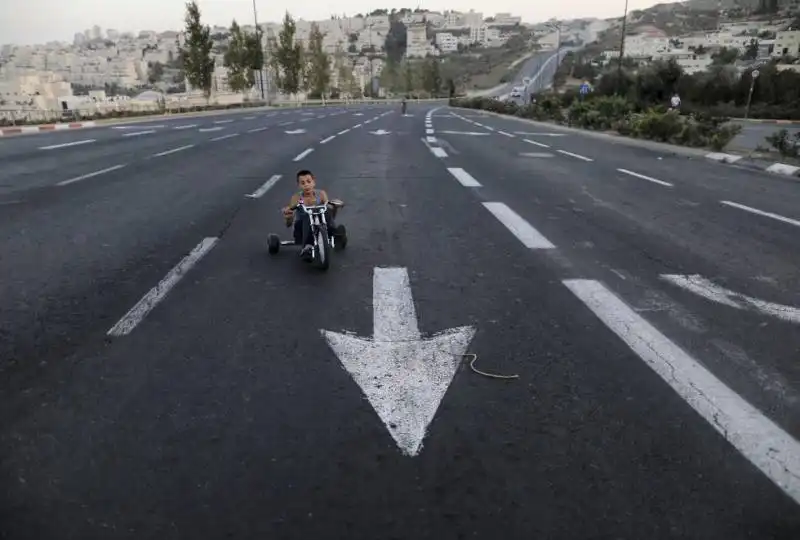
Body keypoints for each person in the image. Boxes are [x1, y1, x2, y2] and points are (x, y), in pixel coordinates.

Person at [282, 169, 337, 260]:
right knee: (307, 215)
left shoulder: (321, 194)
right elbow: (289, 224)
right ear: (299, 185)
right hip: (302, 230)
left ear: (313, 182)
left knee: (326, 210)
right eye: (303, 183)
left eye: (308, 181)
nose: (306, 185)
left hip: (321, 225)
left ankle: (334, 232)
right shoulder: (296, 198)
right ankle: (307, 246)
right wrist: (288, 216)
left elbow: (331, 215)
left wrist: (335, 207)